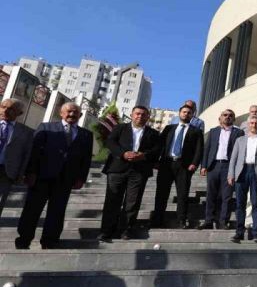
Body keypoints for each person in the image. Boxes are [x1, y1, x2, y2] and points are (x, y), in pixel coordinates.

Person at [15, 102, 93, 249]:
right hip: (42, 176)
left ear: (80, 115)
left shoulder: (86, 135)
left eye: (75, 112)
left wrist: (81, 178)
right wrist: (30, 172)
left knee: (57, 211)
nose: (72, 114)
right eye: (69, 111)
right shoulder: (46, 127)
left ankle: (50, 240)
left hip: (65, 179)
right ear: (61, 113)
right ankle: (24, 240)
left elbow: (86, 159)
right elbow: (35, 151)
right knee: (32, 209)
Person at [98, 106, 161, 242]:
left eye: (144, 114)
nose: (140, 116)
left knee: (132, 202)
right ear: (132, 115)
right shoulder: (120, 128)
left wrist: (143, 156)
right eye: (137, 114)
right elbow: (110, 142)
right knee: (112, 201)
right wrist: (123, 153)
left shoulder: (153, 134)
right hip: (117, 169)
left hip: (139, 171)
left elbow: (157, 150)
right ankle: (106, 231)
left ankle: (126, 230)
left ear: (148, 117)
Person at [152, 105, 204, 229]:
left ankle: (181, 219)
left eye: (189, 113)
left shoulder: (196, 131)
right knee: (161, 193)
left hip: (184, 166)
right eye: (184, 112)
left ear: (192, 115)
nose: (186, 114)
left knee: (182, 194)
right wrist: (156, 160)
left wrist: (194, 163)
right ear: (179, 113)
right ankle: (157, 219)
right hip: (166, 164)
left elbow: (199, 149)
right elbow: (160, 145)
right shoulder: (169, 128)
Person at [228, 115, 257, 244]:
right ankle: (239, 233)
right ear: (248, 124)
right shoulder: (240, 140)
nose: (254, 125)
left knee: (256, 203)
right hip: (242, 172)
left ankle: (256, 233)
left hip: (256, 173)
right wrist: (231, 174)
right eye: (251, 123)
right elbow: (233, 158)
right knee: (240, 204)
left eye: (256, 123)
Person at [200, 110, 244, 230]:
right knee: (211, 194)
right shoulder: (213, 131)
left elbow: (240, 152)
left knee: (227, 196)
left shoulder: (239, 132)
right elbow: (207, 148)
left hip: (228, 167)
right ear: (220, 118)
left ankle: (223, 221)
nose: (227, 117)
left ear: (234, 119)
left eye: (230, 116)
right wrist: (203, 166)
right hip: (213, 166)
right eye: (225, 115)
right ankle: (208, 220)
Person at [0, 98, 34, 217]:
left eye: (11, 109)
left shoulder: (26, 132)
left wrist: (21, 174)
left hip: (6, 172)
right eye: (3, 107)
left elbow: (26, 154)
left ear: (19, 113)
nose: (5, 111)